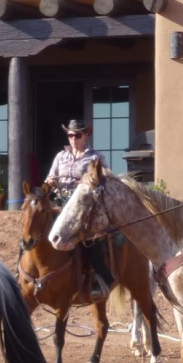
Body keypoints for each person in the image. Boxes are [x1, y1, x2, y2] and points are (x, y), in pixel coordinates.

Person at [43, 119, 113, 301]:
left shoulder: (95, 158)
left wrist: (85, 181)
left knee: (90, 235)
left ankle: (100, 278)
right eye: (70, 135)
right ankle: (24, 273)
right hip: (60, 201)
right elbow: (49, 179)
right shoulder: (60, 156)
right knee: (35, 227)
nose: (73, 138)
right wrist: (48, 183)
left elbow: (107, 180)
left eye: (77, 135)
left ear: (86, 135)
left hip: (83, 205)